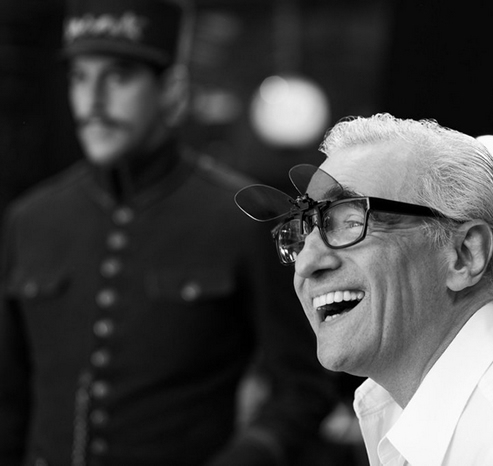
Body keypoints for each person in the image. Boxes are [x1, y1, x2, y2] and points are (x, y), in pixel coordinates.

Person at [0, 1, 335, 465]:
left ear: (172, 91)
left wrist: (247, 456)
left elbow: (304, 387)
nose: (93, 101)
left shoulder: (240, 218)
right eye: (79, 77)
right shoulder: (30, 221)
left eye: (118, 76)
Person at [234, 113, 493, 465]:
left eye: (350, 222)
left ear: (465, 254)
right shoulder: (409, 411)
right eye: (302, 231)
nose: (306, 263)